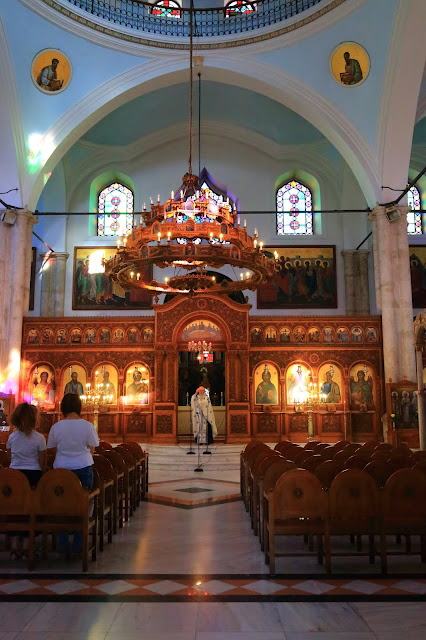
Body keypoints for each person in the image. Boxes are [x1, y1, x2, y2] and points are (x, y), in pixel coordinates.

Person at [47, 393, 99, 552]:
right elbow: (93, 446)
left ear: (63, 408)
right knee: (84, 503)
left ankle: (62, 542)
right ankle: (78, 543)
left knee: (61, 504)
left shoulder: (56, 426)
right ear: (79, 407)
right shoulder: (88, 425)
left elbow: (52, 448)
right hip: (84, 467)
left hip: (61, 470)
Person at [6, 403, 46, 560]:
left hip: (14, 475)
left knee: (15, 508)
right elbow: (42, 463)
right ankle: (27, 545)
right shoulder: (39, 438)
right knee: (31, 508)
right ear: (34, 419)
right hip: (33, 475)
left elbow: (10, 458)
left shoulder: (12, 437)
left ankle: (15, 546)